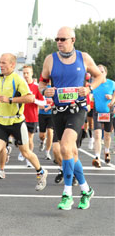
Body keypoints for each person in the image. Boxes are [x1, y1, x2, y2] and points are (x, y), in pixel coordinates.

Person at [39, 26, 103, 210]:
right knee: (69, 153)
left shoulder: (84, 57)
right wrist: (45, 90)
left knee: (66, 147)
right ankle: (86, 190)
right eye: (57, 39)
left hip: (78, 109)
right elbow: (42, 81)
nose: (59, 42)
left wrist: (89, 88)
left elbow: (100, 77)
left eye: (63, 39)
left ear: (72, 40)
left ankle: (67, 193)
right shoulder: (50, 59)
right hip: (58, 110)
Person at [0, 53, 48, 196]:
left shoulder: (18, 79)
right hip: (2, 122)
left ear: (12, 65)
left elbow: (31, 97)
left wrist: (11, 100)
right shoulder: (0, 81)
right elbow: (0, 100)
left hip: (17, 122)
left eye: (4, 63)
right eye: (0, 62)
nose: (1, 65)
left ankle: (41, 171)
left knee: (26, 152)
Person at [18, 65, 46, 167]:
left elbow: (43, 102)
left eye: (27, 73)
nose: (25, 75)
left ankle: (28, 159)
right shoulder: (20, 85)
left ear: (31, 73)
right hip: (20, 116)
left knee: (29, 138)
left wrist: (34, 100)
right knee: (20, 138)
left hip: (32, 117)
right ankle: (22, 151)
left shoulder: (36, 87)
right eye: (24, 73)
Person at [92, 65, 115, 168]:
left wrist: (112, 99)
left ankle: (106, 152)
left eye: (101, 72)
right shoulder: (94, 84)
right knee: (97, 135)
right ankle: (97, 158)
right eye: (98, 71)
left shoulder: (111, 83)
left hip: (108, 112)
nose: (99, 73)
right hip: (97, 112)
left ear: (105, 73)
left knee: (107, 135)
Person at [38, 81, 54, 160]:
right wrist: (41, 106)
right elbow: (37, 100)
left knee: (50, 132)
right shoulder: (41, 88)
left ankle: (47, 152)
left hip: (51, 114)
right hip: (42, 114)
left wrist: (50, 106)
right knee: (42, 135)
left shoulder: (54, 87)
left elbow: (56, 101)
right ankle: (42, 141)